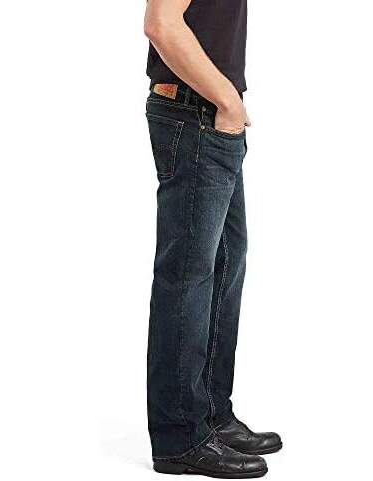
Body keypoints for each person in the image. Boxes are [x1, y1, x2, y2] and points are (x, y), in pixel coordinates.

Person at [143, 0, 281, 477]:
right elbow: (161, 24)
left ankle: (212, 416)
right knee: (188, 277)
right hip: (194, 114)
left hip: (207, 115)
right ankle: (181, 436)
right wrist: (227, 100)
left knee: (224, 263)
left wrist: (227, 105)